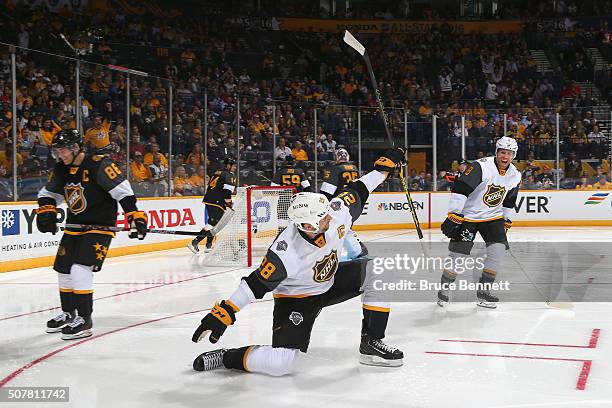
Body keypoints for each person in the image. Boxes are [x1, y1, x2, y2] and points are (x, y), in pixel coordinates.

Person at [191, 148, 406, 375]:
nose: (330, 216)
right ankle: (227, 357)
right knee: (281, 363)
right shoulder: (285, 252)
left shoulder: (335, 212)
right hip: (296, 299)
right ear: (308, 226)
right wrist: (225, 313)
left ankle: (371, 342)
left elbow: (359, 187)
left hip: (330, 282)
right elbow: (255, 285)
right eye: (323, 217)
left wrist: (384, 168)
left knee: (379, 269)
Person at [36, 129, 148, 340]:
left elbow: (123, 191)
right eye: (57, 151)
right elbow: (48, 194)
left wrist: (134, 216)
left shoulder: (98, 164)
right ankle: (69, 314)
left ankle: (85, 319)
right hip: (74, 226)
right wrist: (47, 210)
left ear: (75, 147)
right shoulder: (61, 169)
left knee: (80, 268)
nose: (60, 155)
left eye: (63, 151)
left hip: (99, 227)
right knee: (63, 269)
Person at [437, 136, 521, 309]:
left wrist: (505, 219)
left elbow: (510, 199)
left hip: (493, 218)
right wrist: (454, 214)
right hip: (468, 217)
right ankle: (444, 291)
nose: (505, 157)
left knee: (497, 253)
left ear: (514, 155)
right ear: (497, 152)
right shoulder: (480, 166)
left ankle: (484, 294)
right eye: (503, 152)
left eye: (510, 153)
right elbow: (460, 188)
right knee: (458, 257)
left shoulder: (515, 174)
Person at [320, 148, 363, 260]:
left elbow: (326, 192)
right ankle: (356, 249)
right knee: (346, 227)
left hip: (338, 203)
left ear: (337, 157)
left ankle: (329, 255)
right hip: (353, 201)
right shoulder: (355, 168)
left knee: (333, 229)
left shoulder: (335, 169)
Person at [188, 158, 236, 253]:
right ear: (228, 166)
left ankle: (208, 245)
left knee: (213, 223)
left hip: (209, 199)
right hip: (217, 201)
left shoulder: (216, 173)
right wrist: (229, 203)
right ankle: (195, 242)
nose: (234, 168)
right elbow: (227, 191)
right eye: (233, 166)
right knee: (212, 224)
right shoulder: (228, 175)